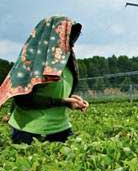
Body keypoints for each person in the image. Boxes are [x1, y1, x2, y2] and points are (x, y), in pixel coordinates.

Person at [0, 16, 89, 145]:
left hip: (61, 128)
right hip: (29, 131)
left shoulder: (65, 63)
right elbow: (23, 99)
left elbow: (55, 90)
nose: (72, 42)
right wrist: (63, 102)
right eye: (69, 36)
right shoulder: (31, 63)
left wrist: (73, 99)